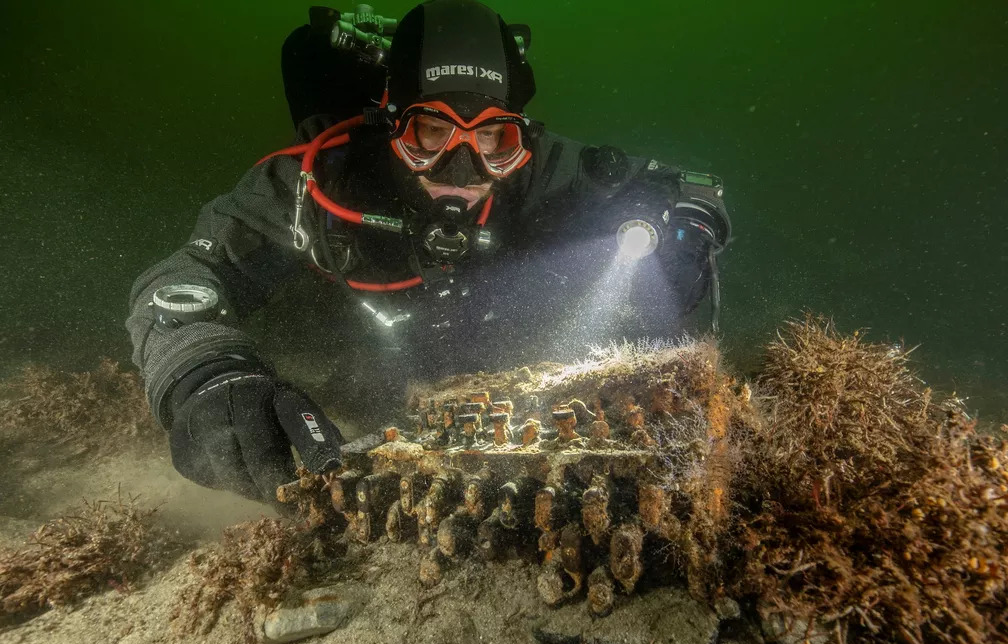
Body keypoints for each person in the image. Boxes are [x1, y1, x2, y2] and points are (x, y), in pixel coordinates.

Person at [126, 0, 732, 503]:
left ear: (520, 137)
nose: (464, 169)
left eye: (494, 137)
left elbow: (690, 187)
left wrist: (688, 231)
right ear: (391, 123)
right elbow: (184, 277)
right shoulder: (315, 185)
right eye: (432, 132)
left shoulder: (543, 169)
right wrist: (204, 375)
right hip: (343, 363)